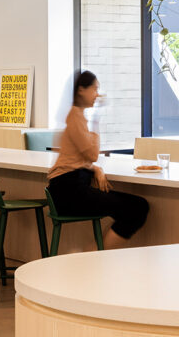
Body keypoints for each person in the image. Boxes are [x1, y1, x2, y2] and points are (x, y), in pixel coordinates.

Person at [47, 70, 149, 249]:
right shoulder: (75, 117)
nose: (97, 94)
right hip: (69, 192)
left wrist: (95, 169)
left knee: (136, 207)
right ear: (81, 90)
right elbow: (92, 154)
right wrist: (97, 117)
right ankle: (91, 255)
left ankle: (92, 253)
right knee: (137, 208)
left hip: (67, 189)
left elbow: (79, 159)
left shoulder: (75, 116)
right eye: (94, 89)